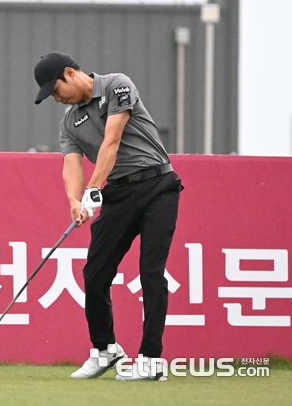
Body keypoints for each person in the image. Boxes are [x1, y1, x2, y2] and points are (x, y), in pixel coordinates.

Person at [34, 52, 182, 381]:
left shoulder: (117, 85)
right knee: (96, 273)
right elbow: (71, 164)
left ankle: (151, 360)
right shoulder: (70, 123)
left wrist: (93, 187)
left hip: (157, 186)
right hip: (117, 195)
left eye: (56, 90)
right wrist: (75, 199)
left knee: (151, 272)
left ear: (70, 73)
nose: (57, 99)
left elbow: (112, 141)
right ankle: (105, 350)